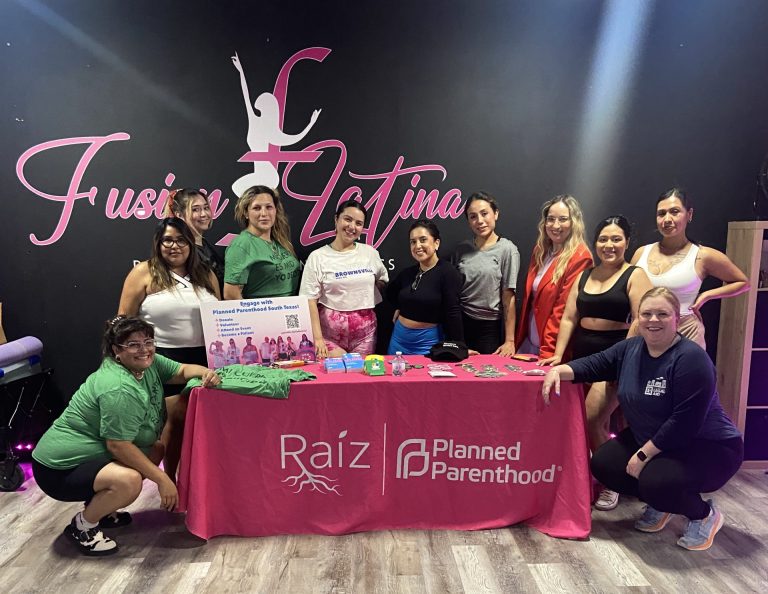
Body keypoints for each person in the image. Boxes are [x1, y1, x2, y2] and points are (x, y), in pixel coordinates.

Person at [542, 288, 743, 551]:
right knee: (604, 463)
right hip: (657, 440)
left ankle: (703, 515)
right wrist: (558, 371)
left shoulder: (692, 359)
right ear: (638, 319)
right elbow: (593, 364)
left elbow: (684, 424)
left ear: (677, 320)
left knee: (655, 481)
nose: (653, 320)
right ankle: (663, 504)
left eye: (663, 314)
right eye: (646, 314)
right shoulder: (631, 349)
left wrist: (641, 456)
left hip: (708, 446)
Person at [32, 316, 220, 556]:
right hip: (58, 469)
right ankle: (83, 527)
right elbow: (118, 446)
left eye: (148, 341)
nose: (144, 349)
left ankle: (102, 508)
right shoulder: (119, 387)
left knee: (155, 449)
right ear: (116, 351)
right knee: (128, 482)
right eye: (133, 344)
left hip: (88, 457)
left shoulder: (146, 364)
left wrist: (207, 373)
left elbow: (182, 371)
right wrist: (164, 480)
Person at [540, 215, 652, 511]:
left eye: (616, 239)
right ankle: (588, 476)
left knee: (592, 421)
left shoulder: (635, 275)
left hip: (614, 359)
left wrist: (625, 359)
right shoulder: (585, 275)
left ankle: (611, 482)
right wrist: (558, 353)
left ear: (627, 242)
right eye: (603, 239)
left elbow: (641, 319)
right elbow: (568, 318)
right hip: (582, 359)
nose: (609, 245)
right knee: (576, 421)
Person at [118, 217, 220, 481]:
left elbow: (220, 316)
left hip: (206, 357)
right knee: (174, 423)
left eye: (181, 240)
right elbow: (123, 320)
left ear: (191, 243)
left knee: (205, 425)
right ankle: (170, 482)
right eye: (168, 240)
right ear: (158, 243)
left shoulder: (206, 274)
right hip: (163, 359)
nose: (175, 246)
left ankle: (200, 482)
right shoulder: (143, 272)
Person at [631, 187, 749, 348]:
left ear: (689, 214)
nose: (667, 219)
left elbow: (743, 282)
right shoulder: (641, 253)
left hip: (686, 332)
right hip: (646, 332)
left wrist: (705, 296)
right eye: (661, 213)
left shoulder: (702, 255)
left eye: (674, 211)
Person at [299, 199, 389, 358]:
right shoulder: (317, 257)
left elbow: (382, 280)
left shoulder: (370, 253)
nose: (352, 227)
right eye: (348, 219)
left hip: (365, 335)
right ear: (336, 219)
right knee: (335, 377)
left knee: (360, 377)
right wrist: (318, 338)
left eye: (359, 223)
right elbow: (309, 299)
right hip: (329, 335)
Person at [516, 195, 593, 358]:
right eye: (551, 219)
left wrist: (549, 351)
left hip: (551, 347)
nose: (555, 225)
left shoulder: (580, 257)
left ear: (574, 222)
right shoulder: (541, 251)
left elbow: (563, 310)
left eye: (563, 219)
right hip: (528, 340)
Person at [453, 191, 520, 355]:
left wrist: (510, 341)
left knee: (484, 375)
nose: (479, 221)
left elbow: (508, 297)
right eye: (473, 216)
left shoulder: (508, 250)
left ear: (495, 214)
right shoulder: (462, 249)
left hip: (488, 329)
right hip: (461, 323)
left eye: (484, 214)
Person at [387, 220, 463, 354]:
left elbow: (453, 312)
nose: (418, 246)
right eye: (413, 242)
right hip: (398, 341)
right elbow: (390, 293)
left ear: (436, 243)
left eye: (423, 240)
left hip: (427, 344)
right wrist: (399, 307)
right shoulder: (407, 273)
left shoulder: (448, 273)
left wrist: (459, 347)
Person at [224, 185, 302, 300]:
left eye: (269, 207)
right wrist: (253, 317)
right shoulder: (241, 245)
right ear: (246, 213)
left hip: (290, 311)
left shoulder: (280, 240)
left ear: (276, 210)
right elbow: (230, 294)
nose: (264, 213)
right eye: (257, 208)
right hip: (263, 314)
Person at [165, 187, 224, 292]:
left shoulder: (204, 244)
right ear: (179, 215)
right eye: (195, 209)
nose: (204, 214)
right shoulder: (181, 251)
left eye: (206, 208)